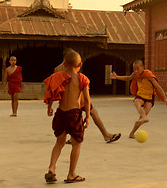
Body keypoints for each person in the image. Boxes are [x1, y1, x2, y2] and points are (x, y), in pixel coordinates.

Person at [55, 48, 121, 144]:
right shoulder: (71, 66)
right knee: (92, 113)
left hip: (66, 99)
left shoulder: (57, 69)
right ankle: (106, 135)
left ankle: (72, 136)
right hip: (78, 97)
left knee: (73, 117)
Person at [44, 50, 90, 183]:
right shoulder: (82, 79)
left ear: (64, 64)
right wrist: (87, 116)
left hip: (61, 113)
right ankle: (71, 174)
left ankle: (51, 168)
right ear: (80, 64)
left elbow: (51, 92)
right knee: (76, 144)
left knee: (59, 142)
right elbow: (86, 100)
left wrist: (49, 108)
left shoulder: (58, 77)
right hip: (74, 114)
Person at [110, 60, 167, 138]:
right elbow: (128, 78)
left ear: (143, 67)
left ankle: (132, 133)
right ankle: (144, 117)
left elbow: (158, 87)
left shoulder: (148, 75)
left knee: (140, 119)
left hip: (149, 98)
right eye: (134, 69)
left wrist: (165, 99)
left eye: (138, 69)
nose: (136, 71)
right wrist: (117, 77)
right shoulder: (135, 74)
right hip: (140, 96)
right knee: (137, 103)